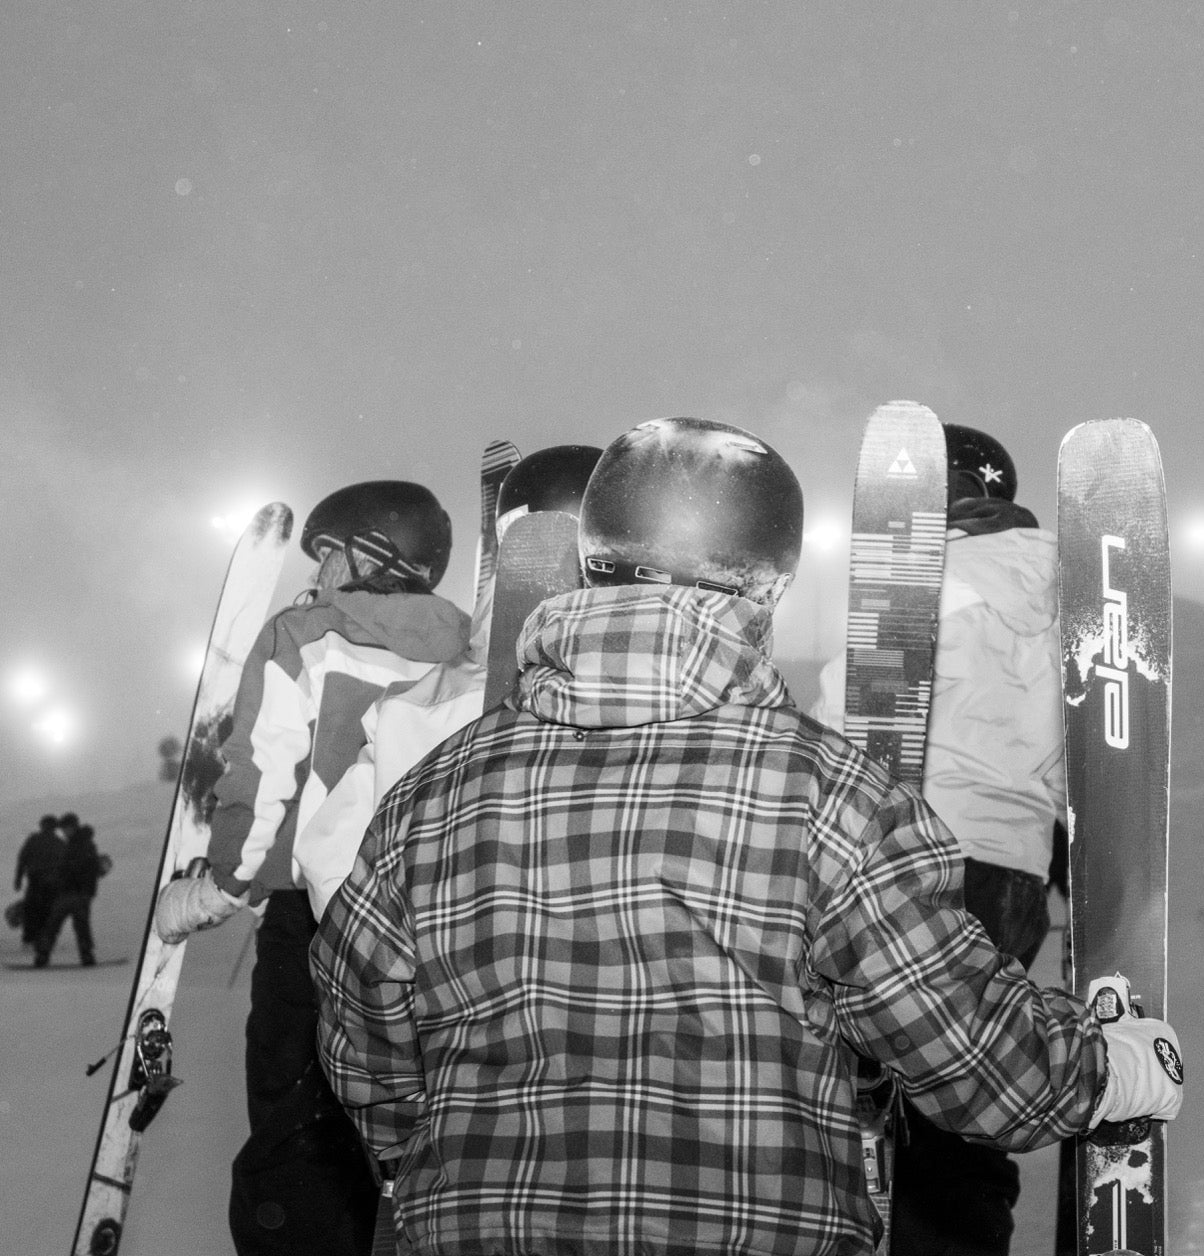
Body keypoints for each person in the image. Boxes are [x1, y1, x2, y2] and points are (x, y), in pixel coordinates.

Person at [310, 417, 1182, 1256]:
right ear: (766, 587)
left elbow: (362, 1029)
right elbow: (971, 1057)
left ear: (591, 560)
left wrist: (431, 1155)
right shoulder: (831, 795)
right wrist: (1110, 1068)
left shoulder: (435, 789)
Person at [154, 480, 472, 1256]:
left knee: (299, 1122)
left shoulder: (306, 635)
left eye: (329, 552)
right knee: (399, 1121)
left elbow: (259, 768)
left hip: (321, 920)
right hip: (435, 919)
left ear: (372, 556)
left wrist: (222, 885)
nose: (319, 569)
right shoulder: (469, 649)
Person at [812, 421, 1066, 1255]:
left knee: (883, 1075)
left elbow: (847, 712)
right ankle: (965, 1232)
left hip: (911, 851)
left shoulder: (923, 582)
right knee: (970, 1073)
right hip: (1015, 867)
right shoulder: (1064, 588)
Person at [294, 445, 603, 922]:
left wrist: (395, 948)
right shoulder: (671, 693)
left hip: (446, 949)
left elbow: (333, 861)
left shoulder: (417, 709)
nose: (317, 574)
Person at [35, 816, 104, 966]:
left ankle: (43, 956)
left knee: (59, 925)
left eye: (65, 828)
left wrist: (63, 879)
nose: (63, 832)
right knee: (73, 926)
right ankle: (85, 956)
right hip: (73, 893)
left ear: (73, 827)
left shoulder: (82, 845)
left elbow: (82, 869)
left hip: (75, 893)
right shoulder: (75, 844)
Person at [13, 813, 66, 947]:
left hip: (37, 881)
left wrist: (18, 879)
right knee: (46, 911)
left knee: (32, 909)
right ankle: (42, 938)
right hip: (51, 883)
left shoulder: (33, 840)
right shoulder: (59, 843)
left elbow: (22, 860)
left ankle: (30, 939)